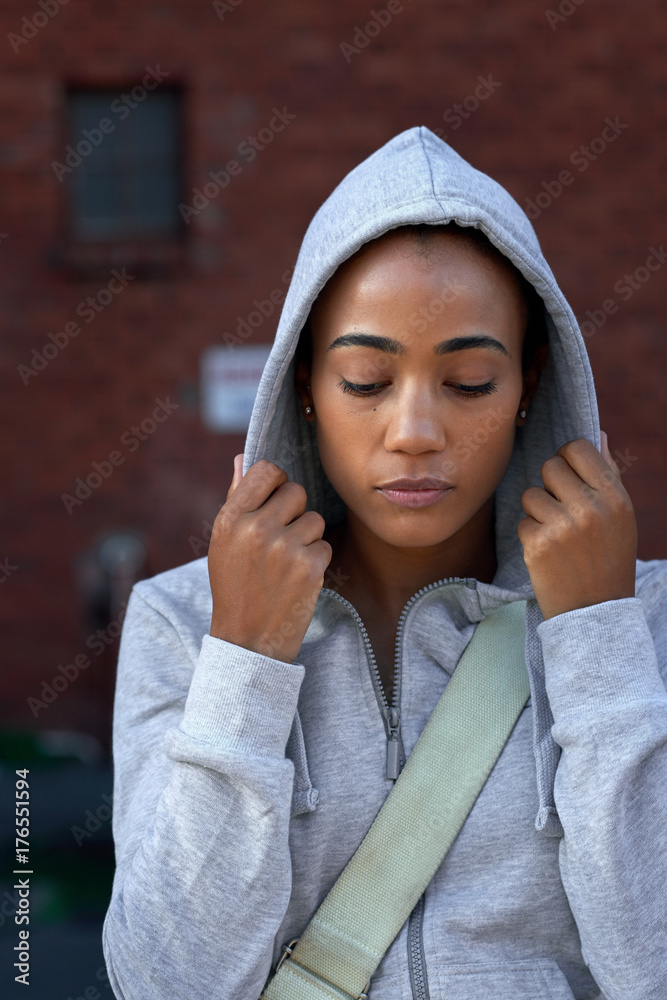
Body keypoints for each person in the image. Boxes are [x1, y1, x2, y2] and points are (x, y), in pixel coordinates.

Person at [102, 127, 667, 1000]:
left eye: (470, 382)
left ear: (529, 388)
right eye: (366, 380)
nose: (414, 432)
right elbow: (165, 983)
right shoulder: (182, 623)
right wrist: (245, 661)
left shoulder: (645, 621)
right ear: (302, 389)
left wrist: (598, 641)